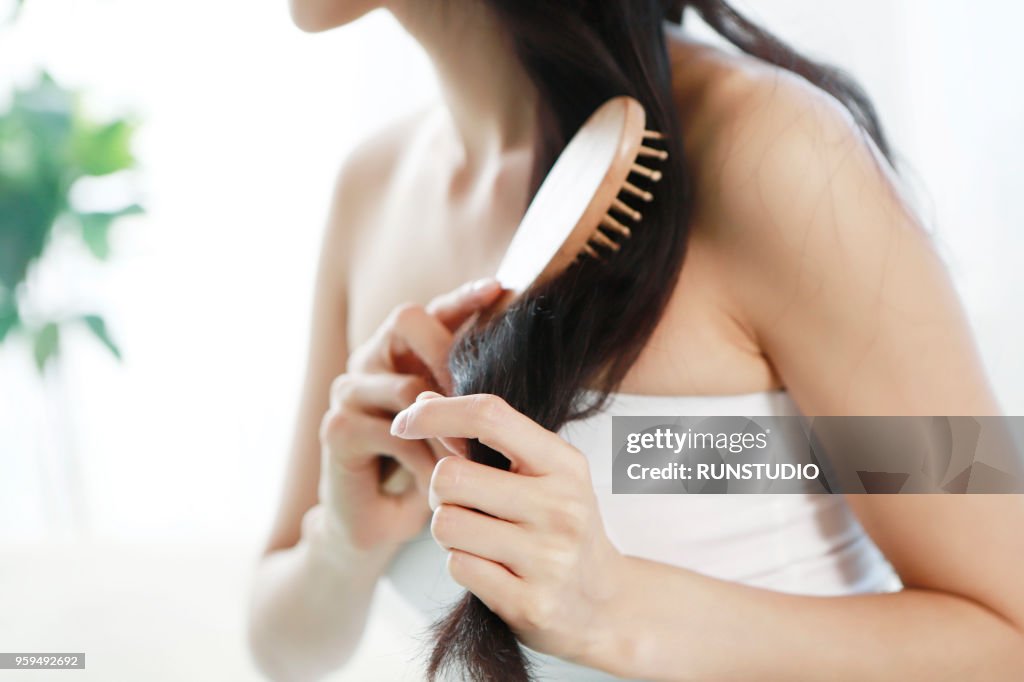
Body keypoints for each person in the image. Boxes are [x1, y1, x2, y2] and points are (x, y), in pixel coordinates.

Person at [247, 1, 1024, 680]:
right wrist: (345, 545)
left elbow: (1010, 634)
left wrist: (616, 609)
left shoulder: (778, 151)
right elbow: (282, 648)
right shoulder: (373, 186)